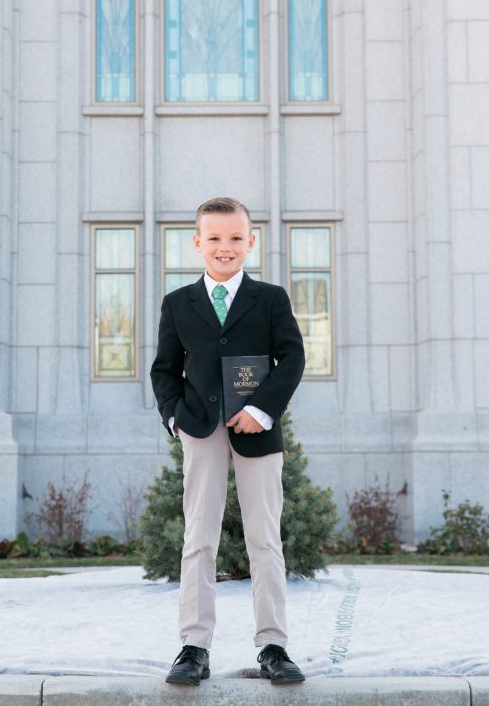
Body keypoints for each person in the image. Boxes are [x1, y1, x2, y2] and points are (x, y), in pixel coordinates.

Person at [150, 196, 306, 686]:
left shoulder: (271, 299)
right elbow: (163, 370)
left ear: (250, 242)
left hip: (257, 432)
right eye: (214, 238)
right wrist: (175, 418)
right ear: (197, 243)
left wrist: (262, 409)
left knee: (265, 538)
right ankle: (194, 646)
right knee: (199, 538)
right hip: (200, 430)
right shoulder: (178, 304)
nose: (225, 247)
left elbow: (293, 358)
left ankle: (273, 645)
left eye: (235, 238)